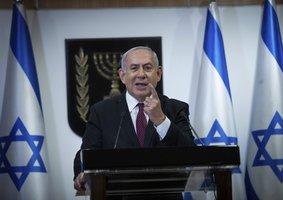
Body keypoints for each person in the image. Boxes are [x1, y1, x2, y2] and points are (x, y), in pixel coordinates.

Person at [73, 46, 195, 191]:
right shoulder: (101, 112)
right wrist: (81, 173)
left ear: (158, 73)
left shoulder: (175, 109)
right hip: (117, 194)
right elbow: (86, 154)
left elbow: (191, 154)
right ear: (122, 75)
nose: (141, 74)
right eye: (134, 68)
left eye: (148, 68)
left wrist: (161, 120)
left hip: (164, 194)